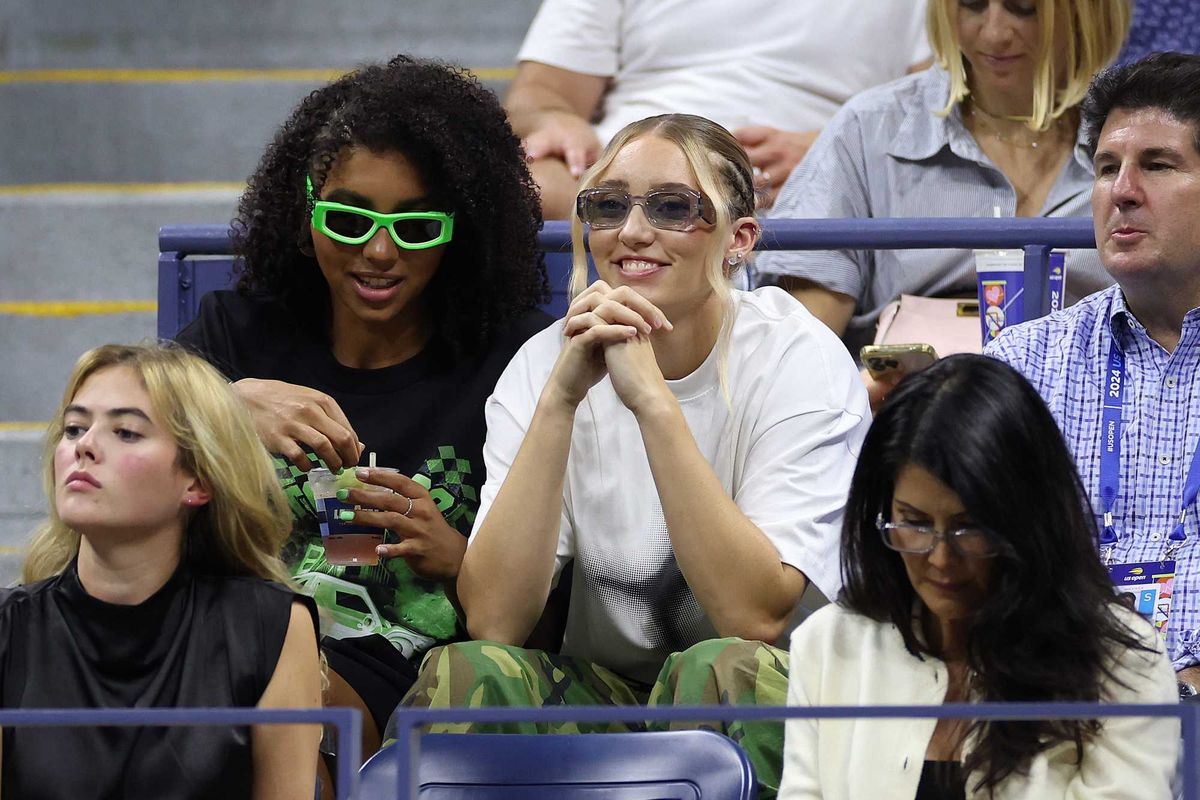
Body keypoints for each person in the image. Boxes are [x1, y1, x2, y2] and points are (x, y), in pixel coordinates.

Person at [395, 113, 871, 799]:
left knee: (719, 668)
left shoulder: (795, 356)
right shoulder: (542, 365)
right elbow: (494, 621)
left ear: (739, 240)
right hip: (612, 697)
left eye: (674, 207)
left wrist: (653, 403)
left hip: (781, 691)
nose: (633, 232)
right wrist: (560, 400)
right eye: (608, 206)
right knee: (465, 673)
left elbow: (756, 616)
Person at [174, 55, 552, 761]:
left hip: (385, 672)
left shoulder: (515, 358)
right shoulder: (238, 333)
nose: (379, 252)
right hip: (215, 637)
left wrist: (458, 562)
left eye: (416, 228)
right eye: (348, 220)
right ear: (305, 209)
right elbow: (105, 428)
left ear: (459, 231)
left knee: (275, 716)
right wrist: (223, 406)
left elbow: (558, 597)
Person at [779, 355, 1178, 800]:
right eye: (913, 523)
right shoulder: (829, 646)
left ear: (1026, 520)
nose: (941, 559)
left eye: (969, 528)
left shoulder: (1123, 668)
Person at [0, 344, 322, 799]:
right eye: (73, 428)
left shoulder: (270, 626)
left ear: (198, 480)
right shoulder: (10, 629)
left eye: (126, 432)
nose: (84, 446)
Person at [987, 52, 1200, 701]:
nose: (1121, 191)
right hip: (1054, 716)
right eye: (1107, 168)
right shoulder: (1019, 366)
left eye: (1157, 165)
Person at [757, 0, 1130, 358]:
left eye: (1023, 7)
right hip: (906, 406)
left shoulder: (1146, 140)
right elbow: (800, 349)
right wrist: (858, 390)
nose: (994, 33)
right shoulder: (868, 128)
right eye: (971, 3)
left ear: (1087, 11)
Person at [505, 0, 932, 217]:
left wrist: (835, 150)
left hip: (812, 182)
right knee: (532, 183)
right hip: (634, 160)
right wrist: (553, 119)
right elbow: (539, 95)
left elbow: (948, 109)